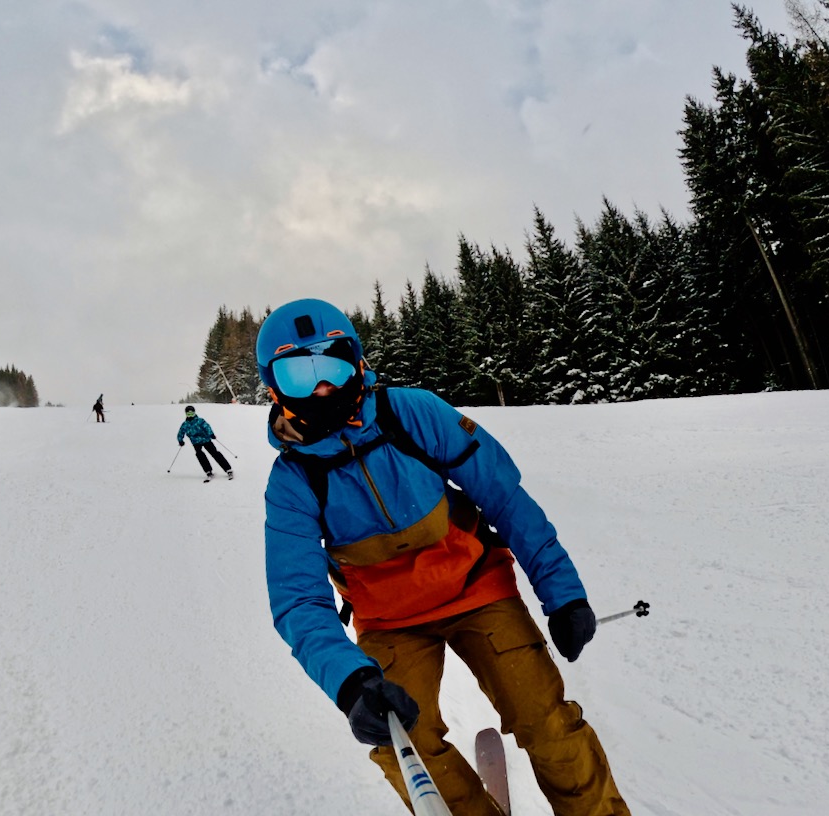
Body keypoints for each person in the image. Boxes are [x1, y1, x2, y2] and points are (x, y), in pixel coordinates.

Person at [257, 298, 629, 816]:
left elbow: (505, 496)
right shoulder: (293, 481)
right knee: (400, 745)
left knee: (546, 720)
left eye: (334, 363)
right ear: (274, 387)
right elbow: (297, 599)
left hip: (477, 589)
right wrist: (351, 681)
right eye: (300, 373)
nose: (322, 387)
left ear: (358, 362)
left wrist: (562, 593)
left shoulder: (413, 414)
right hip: (390, 621)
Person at [177, 405, 233, 482]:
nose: (190, 416)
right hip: (195, 442)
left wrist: (211, 434)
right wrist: (180, 440)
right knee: (200, 455)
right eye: (188, 414)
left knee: (215, 453)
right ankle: (208, 471)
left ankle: (228, 469)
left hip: (205, 440)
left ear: (194, 413)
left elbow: (207, 427)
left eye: (191, 414)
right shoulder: (185, 424)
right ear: (186, 414)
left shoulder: (200, 420)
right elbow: (180, 433)